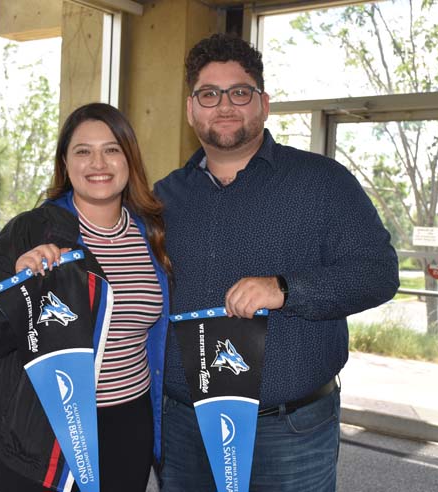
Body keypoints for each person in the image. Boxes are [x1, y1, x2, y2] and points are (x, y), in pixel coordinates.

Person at [154, 33, 399, 491]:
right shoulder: (163, 196)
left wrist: (287, 289)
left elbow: (378, 273)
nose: (224, 105)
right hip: (186, 426)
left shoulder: (324, 183)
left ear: (263, 104)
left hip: (287, 431)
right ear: (191, 109)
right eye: (209, 94)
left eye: (239, 92)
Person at [0, 103, 170, 492]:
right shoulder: (31, 230)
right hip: (46, 427)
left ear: (129, 158)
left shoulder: (152, 234)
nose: (98, 162)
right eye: (83, 151)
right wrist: (19, 286)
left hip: (129, 423)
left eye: (111, 149)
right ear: (65, 162)